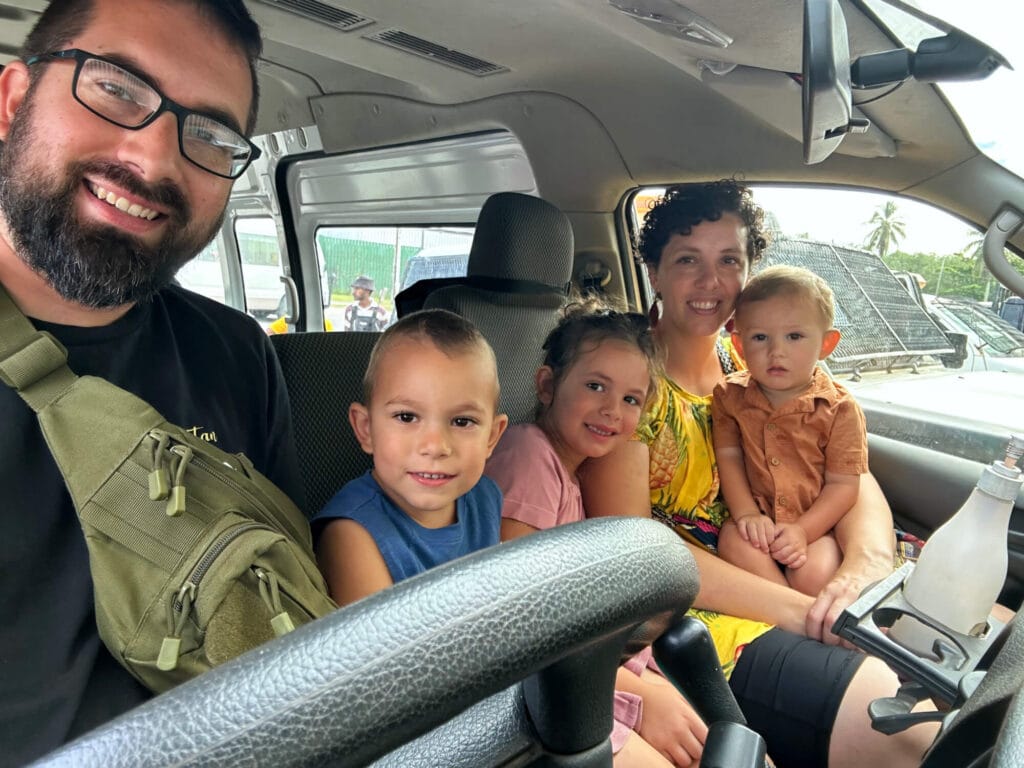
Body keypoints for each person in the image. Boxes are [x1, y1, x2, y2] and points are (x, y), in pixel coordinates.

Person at [0, 0, 304, 763]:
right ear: (10, 103)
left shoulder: (237, 353)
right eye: (117, 89)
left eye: (209, 134)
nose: (154, 160)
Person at [579, 181, 938, 768]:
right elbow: (640, 555)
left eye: (729, 262)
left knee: (977, 650)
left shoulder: (753, 359)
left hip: (801, 576)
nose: (710, 282)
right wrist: (805, 612)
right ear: (654, 271)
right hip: (706, 620)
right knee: (909, 728)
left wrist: (861, 571)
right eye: (687, 260)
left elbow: (848, 468)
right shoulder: (626, 387)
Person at [486, 301, 708, 767]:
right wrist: (642, 694)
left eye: (631, 399)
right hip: (542, 681)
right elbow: (520, 614)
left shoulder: (573, 470)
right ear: (547, 385)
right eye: (595, 386)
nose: (612, 410)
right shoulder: (530, 456)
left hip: (588, 666)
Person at [314, 309, 509, 606]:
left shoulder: (486, 498)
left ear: (492, 437)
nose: (435, 446)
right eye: (406, 417)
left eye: (462, 421)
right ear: (366, 429)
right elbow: (386, 650)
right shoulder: (350, 534)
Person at [713, 264, 868, 597]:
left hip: (814, 528)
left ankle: (792, 606)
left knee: (814, 575)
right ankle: (794, 612)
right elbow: (729, 458)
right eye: (759, 337)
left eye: (794, 336)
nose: (776, 351)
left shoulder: (839, 408)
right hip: (757, 522)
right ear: (739, 346)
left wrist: (802, 531)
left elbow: (844, 486)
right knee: (731, 541)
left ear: (827, 344)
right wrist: (746, 514)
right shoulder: (729, 396)